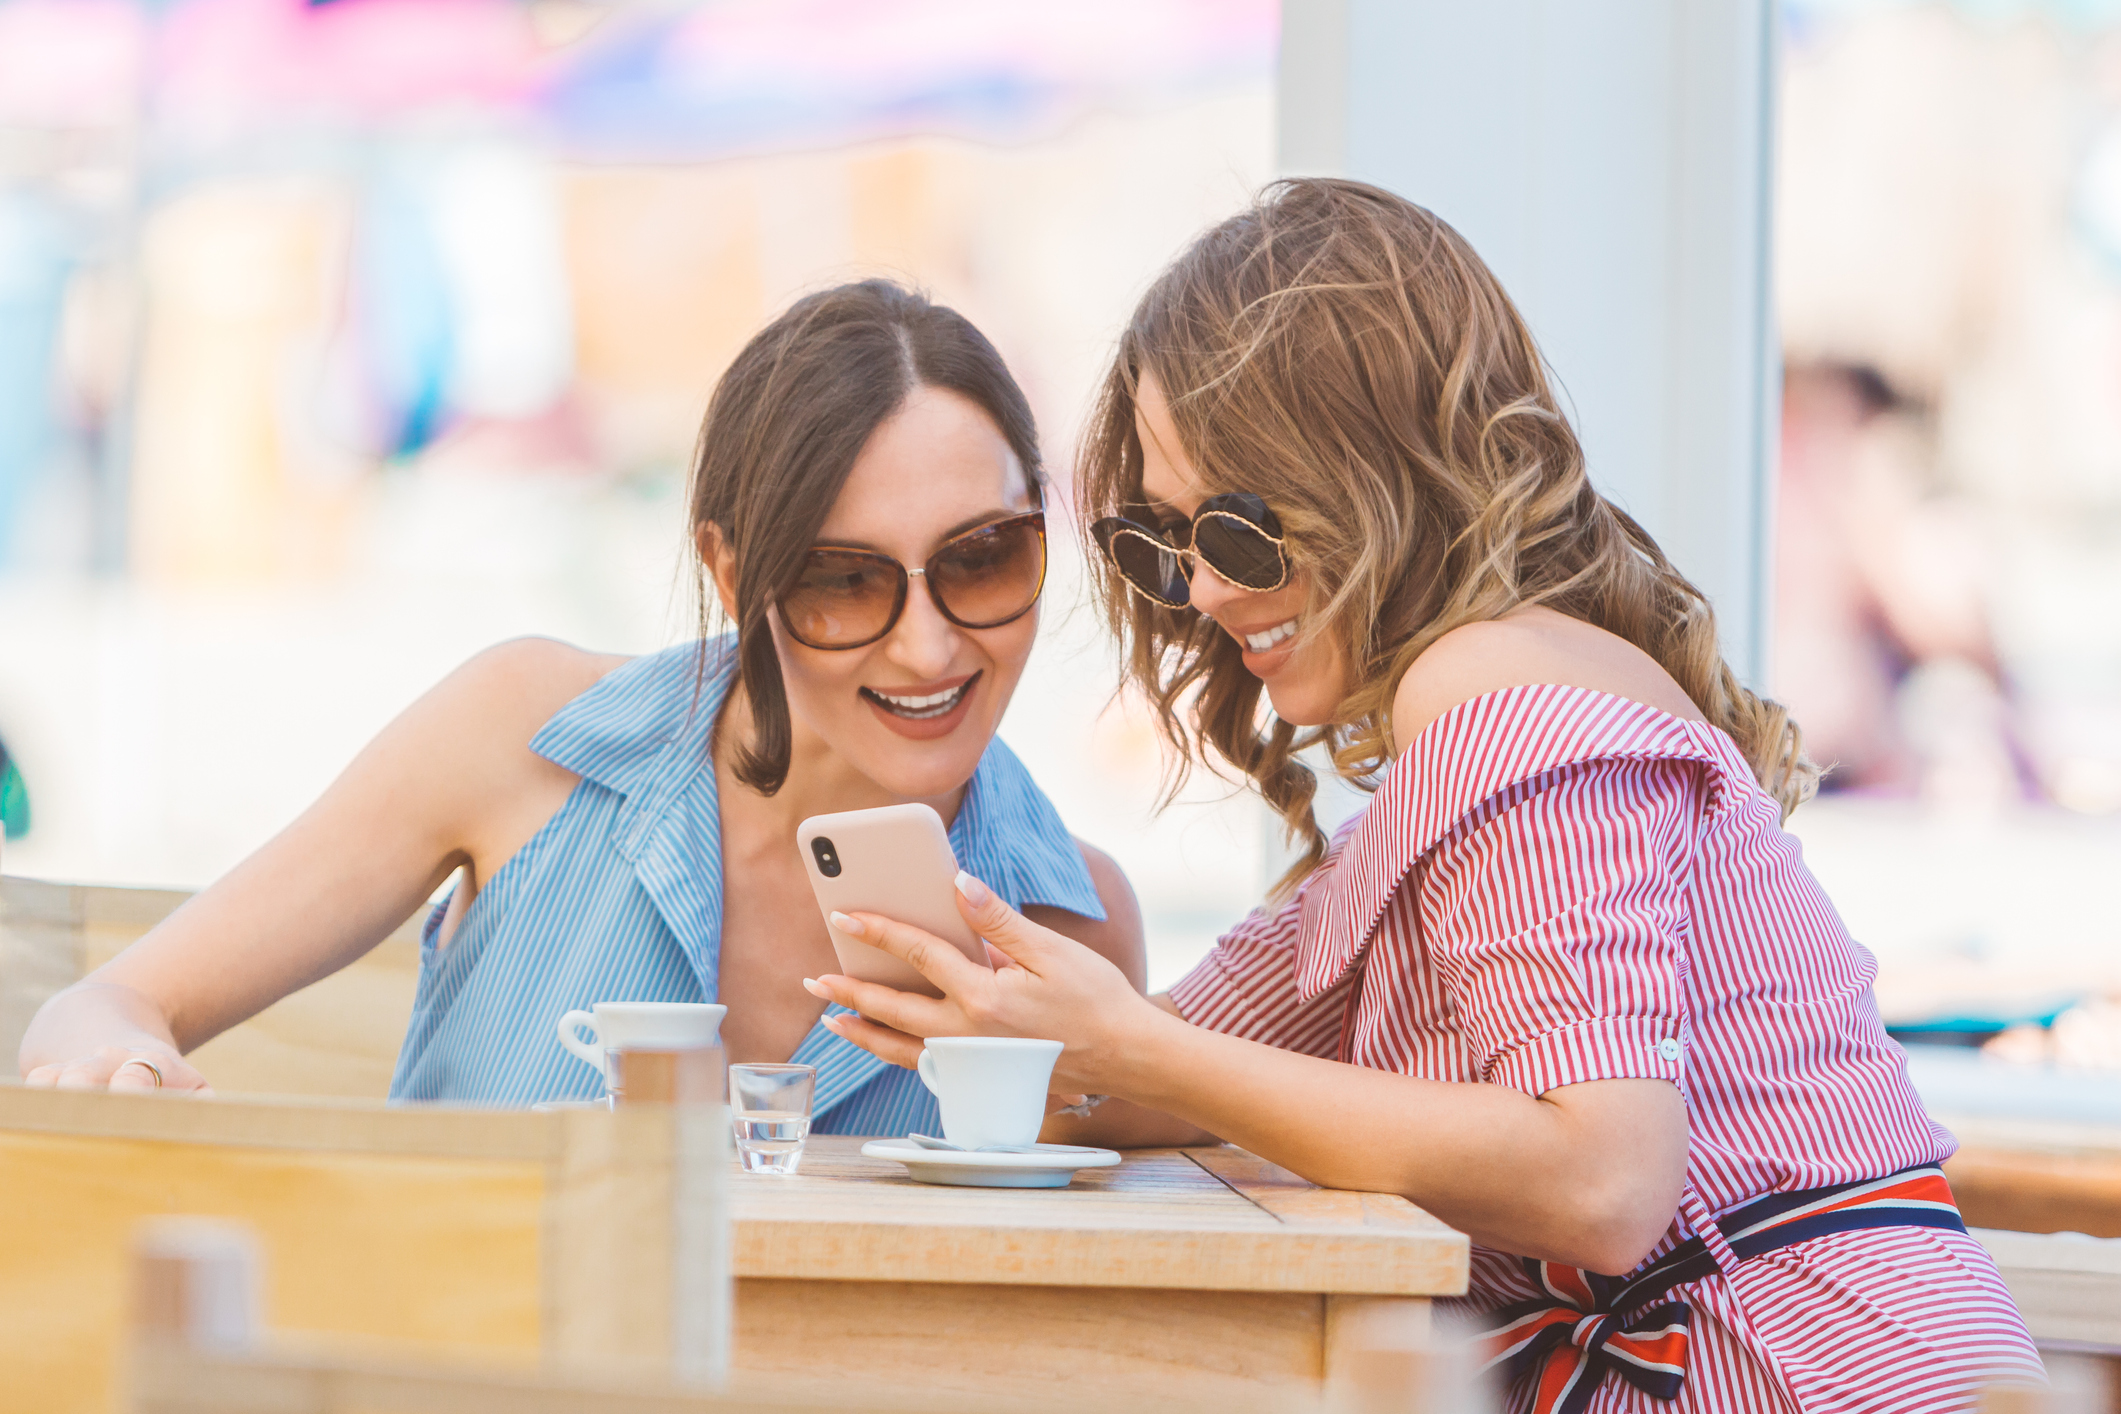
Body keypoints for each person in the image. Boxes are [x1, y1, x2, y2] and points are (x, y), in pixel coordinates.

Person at [802, 183, 2042, 1412]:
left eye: (1235, 530)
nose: (1204, 593)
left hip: (1798, 1366)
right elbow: (1171, 1069)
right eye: (1164, 546)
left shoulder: (1490, 688)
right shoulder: (1435, 794)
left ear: (1375, 470)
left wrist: (1130, 1048)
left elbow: (1604, 1178)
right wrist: (1025, 1030)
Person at [20, 279, 1143, 1136]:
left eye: (985, 558)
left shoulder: (1078, 925)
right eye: (845, 578)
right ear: (729, 568)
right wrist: (119, 1056)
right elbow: (107, 1002)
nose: (931, 641)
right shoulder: (525, 737)